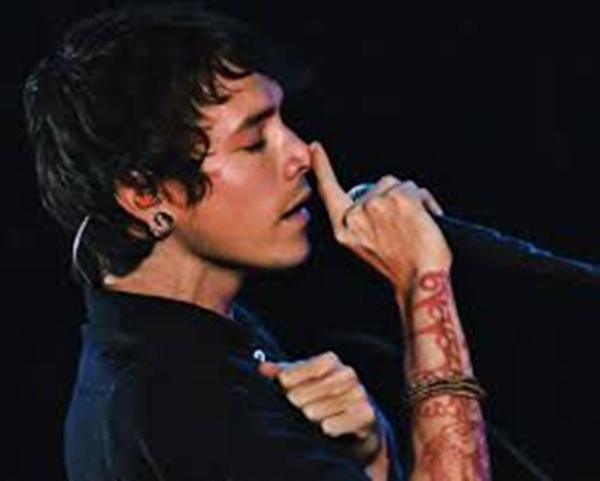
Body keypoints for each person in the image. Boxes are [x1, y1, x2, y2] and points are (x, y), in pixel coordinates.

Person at [23, 4, 491, 480]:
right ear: (146, 194)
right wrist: (422, 284)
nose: (301, 154)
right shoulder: (182, 403)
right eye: (253, 142)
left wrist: (369, 459)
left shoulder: (190, 339)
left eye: (282, 122)